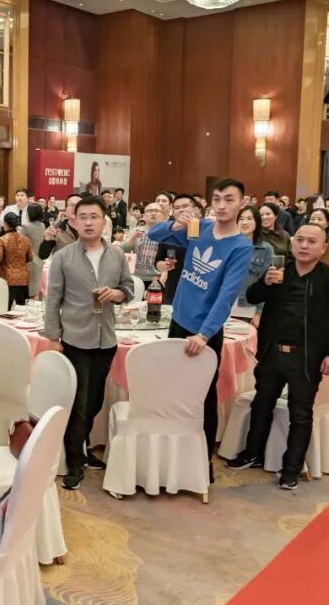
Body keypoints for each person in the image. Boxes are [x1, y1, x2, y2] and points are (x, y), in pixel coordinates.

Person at [227, 223, 329, 490]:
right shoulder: (279, 272)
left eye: (311, 242)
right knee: (261, 404)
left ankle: (291, 468)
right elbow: (251, 297)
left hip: (306, 357)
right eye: (300, 240)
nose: (304, 246)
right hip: (272, 352)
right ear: (292, 243)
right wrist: (265, 283)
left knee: (300, 413)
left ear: (323, 247)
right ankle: (252, 453)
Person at [147, 178, 252, 470]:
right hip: (178, 321)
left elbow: (226, 296)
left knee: (203, 396)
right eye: (217, 199)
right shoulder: (200, 228)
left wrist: (204, 334)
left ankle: (201, 461)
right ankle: (174, 453)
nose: (222, 205)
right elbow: (154, 234)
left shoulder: (240, 246)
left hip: (203, 331)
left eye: (229, 199)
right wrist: (175, 224)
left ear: (242, 203)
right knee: (174, 390)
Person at [44, 197, 134, 489]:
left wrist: (117, 294)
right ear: (74, 221)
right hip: (75, 339)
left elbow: (128, 288)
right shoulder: (64, 257)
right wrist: (53, 337)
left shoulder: (116, 254)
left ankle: (81, 448)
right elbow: (52, 299)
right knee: (79, 404)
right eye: (82, 217)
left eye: (94, 216)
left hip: (105, 339)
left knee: (94, 401)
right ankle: (74, 462)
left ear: (104, 220)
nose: (88, 222)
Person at [229, 206, 275, 320]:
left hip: (248, 308)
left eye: (249, 218)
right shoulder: (227, 245)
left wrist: (259, 313)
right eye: (241, 219)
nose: (244, 222)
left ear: (257, 222)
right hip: (224, 306)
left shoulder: (265, 249)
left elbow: (266, 284)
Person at [154, 195, 198, 304]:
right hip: (173, 291)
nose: (181, 210)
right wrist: (164, 265)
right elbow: (157, 262)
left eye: (185, 206)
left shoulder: (206, 232)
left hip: (199, 291)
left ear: (195, 210)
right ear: (173, 212)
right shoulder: (168, 233)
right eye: (177, 208)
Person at [0, 212, 32, 308]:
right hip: (23, 279)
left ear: (6, 224)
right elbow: (30, 258)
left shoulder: (2, 239)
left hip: (7, 279)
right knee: (23, 309)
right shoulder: (25, 239)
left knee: (4, 309)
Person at [119, 203, 164, 280]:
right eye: (150, 211)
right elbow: (121, 251)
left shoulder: (166, 233)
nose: (153, 213)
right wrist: (133, 238)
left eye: (156, 211)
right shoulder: (135, 231)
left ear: (162, 215)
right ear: (144, 215)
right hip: (136, 277)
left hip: (158, 277)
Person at [21, 204, 47, 299]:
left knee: (27, 289)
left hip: (28, 259)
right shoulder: (42, 225)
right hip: (38, 259)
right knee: (35, 287)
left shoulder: (26, 226)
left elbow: (19, 242)